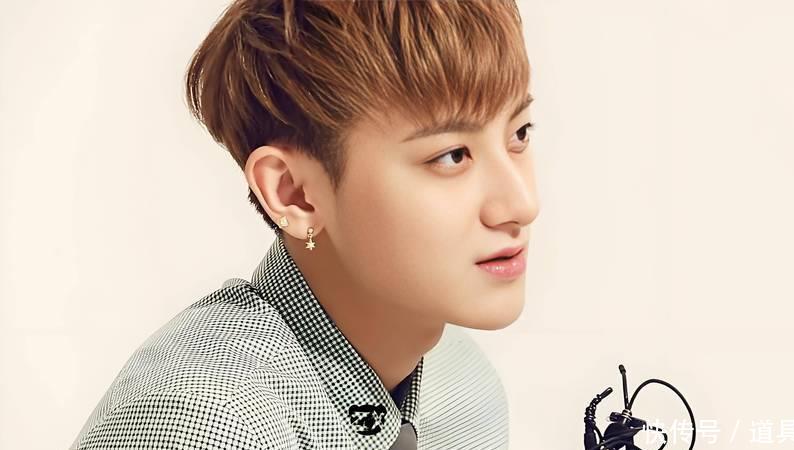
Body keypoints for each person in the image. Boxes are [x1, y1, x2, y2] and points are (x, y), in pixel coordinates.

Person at [70, 0, 539, 448]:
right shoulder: (206, 422)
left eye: (518, 134)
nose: (523, 203)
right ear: (293, 193)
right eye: (451, 156)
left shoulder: (462, 388)